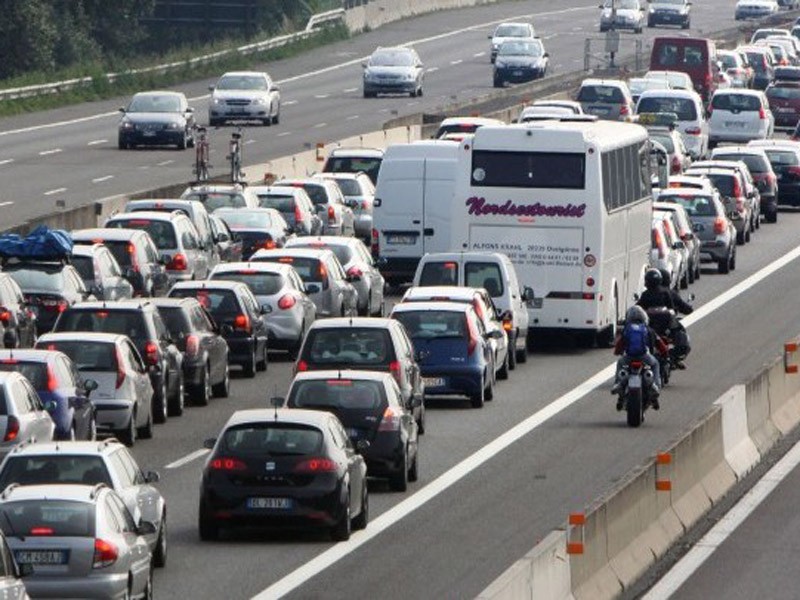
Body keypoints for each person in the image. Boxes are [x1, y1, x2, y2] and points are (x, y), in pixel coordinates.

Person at [611, 305, 667, 411]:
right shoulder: (649, 330)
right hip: (645, 357)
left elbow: (618, 347)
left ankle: (618, 383)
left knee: (619, 363)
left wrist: (618, 352)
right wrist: (665, 353)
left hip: (629, 357)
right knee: (656, 364)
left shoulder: (627, 330)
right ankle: (655, 385)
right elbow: (661, 346)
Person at [658, 268, 693, 367]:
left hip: (655, 327)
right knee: (682, 337)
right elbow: (686, 309)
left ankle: (673, 358)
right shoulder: (671, 293)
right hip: (667, 327)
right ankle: (674, 358)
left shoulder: (647, 294)